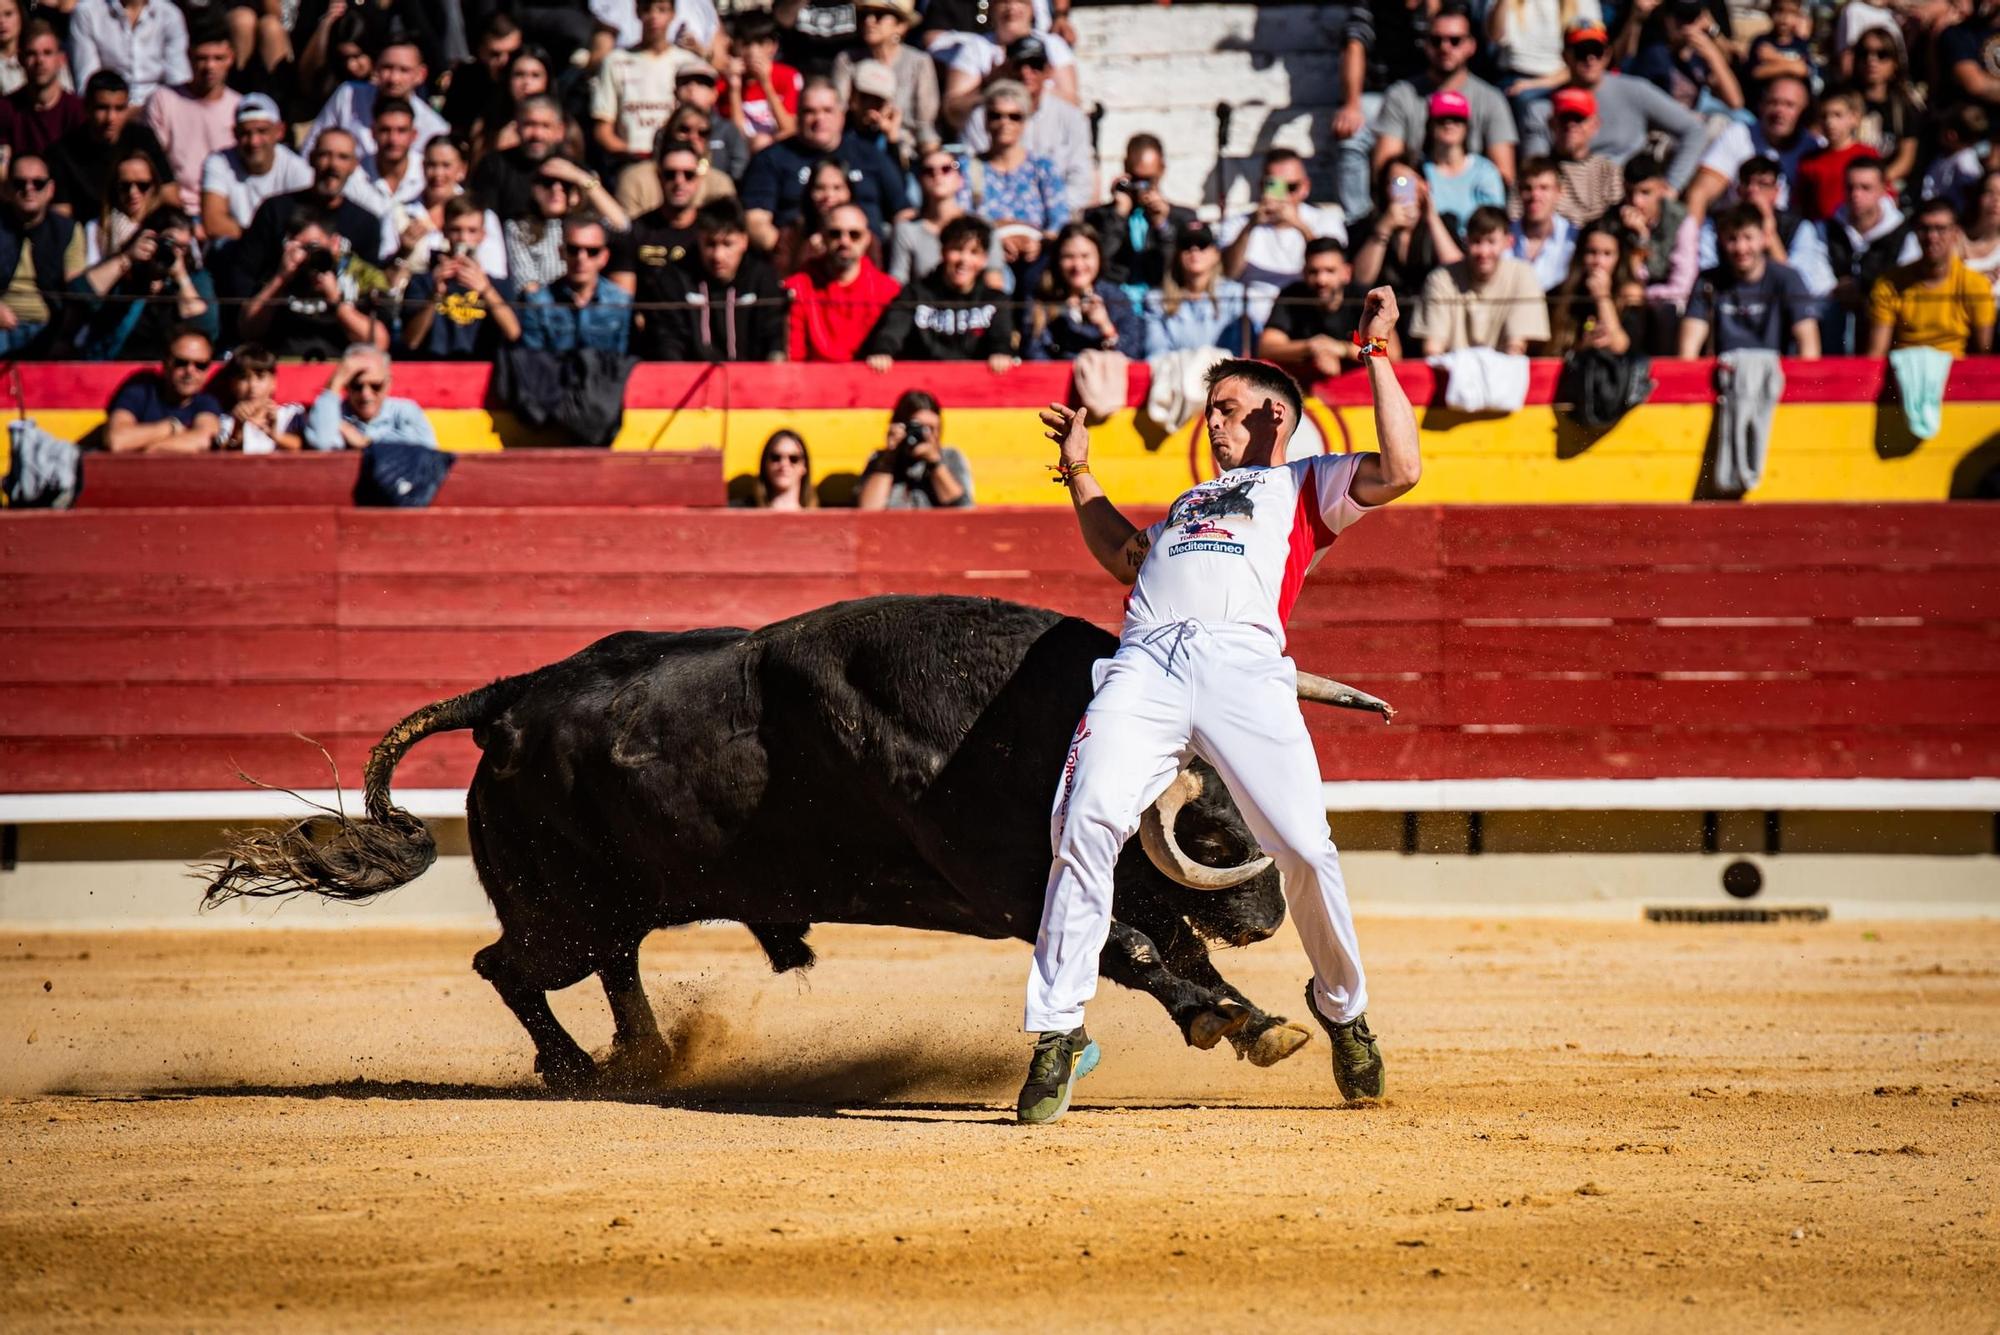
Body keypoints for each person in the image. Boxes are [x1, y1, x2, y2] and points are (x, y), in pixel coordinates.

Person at [1015, 293, 1420, 1124]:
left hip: (1243, 663)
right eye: (1210, 412)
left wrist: (1377, 352)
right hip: (1145, 664)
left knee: (1306, 846)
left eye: (1228, 410)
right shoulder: (1181, 510)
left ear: (1277, 416)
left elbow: (1404, 468)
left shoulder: (1304, 487)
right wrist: (1080, 467)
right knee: (1083, 818)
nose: (1213, 424)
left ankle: (1343, 1008)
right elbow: (1117, 550)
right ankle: (1056, 1030)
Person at [1522, 21, 1705, 190]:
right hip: (1572, 193)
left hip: (1628, 192)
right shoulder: (1543, 109)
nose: (1590, 58)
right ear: (1565, 56)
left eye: (1597, 50)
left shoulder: (1636, 90)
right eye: (1581, 51)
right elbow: (1535, 171)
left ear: (1608, 54)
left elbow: (1694, 129)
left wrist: (1671, 186)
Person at [740, 80, 906, 251]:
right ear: (797, 116)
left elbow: (903, 211)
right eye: (810, 111)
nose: (819, 119)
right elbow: (756, 220)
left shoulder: (870, 156)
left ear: (841, 115)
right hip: (796, 262)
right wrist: (791, 254)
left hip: (866, 261)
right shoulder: (771, 158)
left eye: (827, 111)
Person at [1373, 5, 1518, 196]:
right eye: (1436, 40)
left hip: (1475, 211)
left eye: (1455, 41)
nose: (1445, 47)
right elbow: (1386, 170)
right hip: (1416, 203)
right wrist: (1408, 200)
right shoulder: (1401, 95)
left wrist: (1475, 204)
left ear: (1471, 46)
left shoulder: (1491, 100)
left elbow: (1504, 177)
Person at [638, 197, 788, 361]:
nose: (718, 256)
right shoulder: (676, 278)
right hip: (690, 379)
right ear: (699, 240)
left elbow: (774, 337)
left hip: (753, 380)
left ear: (744, 241)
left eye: (727, 244)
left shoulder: (762, 278)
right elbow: (668, 341)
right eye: (710, 244)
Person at [860, 214, 1015, 371]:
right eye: (957, 249)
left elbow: (1001, 339)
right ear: (943, 252)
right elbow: (892, 333)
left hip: (977, 388)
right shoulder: (914, 294)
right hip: (922, 386)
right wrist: (883, 352)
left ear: (984, 260)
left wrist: (1000, 354)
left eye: (974, 252)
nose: (964, 259)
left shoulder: (996, 300)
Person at [960, 35, 1091, 215]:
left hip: (1057, 218)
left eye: (1035, 65)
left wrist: (1047, 214)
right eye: (1018, 65)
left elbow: (1080, 182)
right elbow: (972, 174)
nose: (1026, 72)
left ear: (1049, 70)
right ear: (1006, 68)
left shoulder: (1071, 118)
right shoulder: (982, 116)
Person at [238, 209, 391, 358]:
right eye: (303, 248)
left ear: (335, 243)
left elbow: (379, 342)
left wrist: (336, 301)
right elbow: (248, 329)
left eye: (314, 247)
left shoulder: (359, 275)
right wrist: (281, 278)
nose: (309, 256)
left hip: (340, 370)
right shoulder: (278, 271)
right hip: (285, 366)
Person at [1219, 147, 1347, 325]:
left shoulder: (1326, 221)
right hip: (1251, 317)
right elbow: (1229, 272)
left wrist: (1299, 226)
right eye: (1275, 186)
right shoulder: (1239, 223)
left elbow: (1331, 268)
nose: (1284, 196)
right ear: (1261, 187)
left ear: (1305, 188)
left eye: (1291, 187)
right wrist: (1251, 226)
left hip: (1305, 313)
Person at [1678, 203, 1820, 358]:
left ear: (1764, 238)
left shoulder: (1788, 279)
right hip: (1724, 373)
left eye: (1748, 237)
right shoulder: (1708, 282)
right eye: (1732, 239)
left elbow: (1809, 346)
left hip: (1775, 374)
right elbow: (1688, 350)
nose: (1741, 248)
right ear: (1722, 240)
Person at [956, 80, 1067, 270]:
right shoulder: (968, 167)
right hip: (985, 256)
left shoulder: (1042, 167)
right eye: (996, 116)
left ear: (1025, 122)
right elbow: (962, 219)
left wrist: (1040, 242)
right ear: (985, 120)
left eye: (1014, 116)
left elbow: (1059, 219)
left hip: (1036, 256)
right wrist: (995, 238)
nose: (1004, 123)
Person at [1865, 198, 1995, 358]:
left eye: (1941, 229)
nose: (1932, 236)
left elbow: (1986, 354)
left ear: (1956, 234)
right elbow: (1876, 354)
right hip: (1904, 373)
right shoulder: (1889, 285)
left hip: (1957, 374)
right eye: (1924, 229)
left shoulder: (1976, 285)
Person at [1814, 156, 1917, 354]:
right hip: (1833, 325)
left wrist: (1866, 295)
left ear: (1883, 190)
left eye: (1865, 187)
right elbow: (1813, 281)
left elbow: (1908, 287)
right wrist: (1836, 291)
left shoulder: (1904, 235)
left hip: (1887, 330)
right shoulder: (1825, 229)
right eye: (1850, 187)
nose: (1856, 194)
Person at [1416, 205, 1550, 355]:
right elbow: (1433, 349)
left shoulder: (1523, 275)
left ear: (1508, 242)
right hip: (1450, 374)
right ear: (1466, 241)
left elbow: (1516, 347)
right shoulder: (1441, 278)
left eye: (1491, 242)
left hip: (1505, 373)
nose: (1484, 252)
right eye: (1476, 242)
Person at [399, 199, 522, 358]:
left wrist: (486, 290)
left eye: (472, 231)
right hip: (433, 371)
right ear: (444, 231)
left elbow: (513, 333)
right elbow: (411, 341)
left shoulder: (499, 285)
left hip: (483, 373)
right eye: (456, 230)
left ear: (482, 235)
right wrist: (435, 296)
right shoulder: (423, 281)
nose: (463, 238)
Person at [1683, 76, 1820, 219]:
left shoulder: (1815, 148)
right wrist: (1689, 238)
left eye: (1789, 105)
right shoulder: (1739, 134)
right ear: (1761, 106)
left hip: (1788, 233)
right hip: (1732, 228)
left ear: (1804, 111)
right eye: (1773, 103)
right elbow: (1699, 193)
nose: (1779, 111)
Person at [1257, 238, 1393, 378]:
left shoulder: (1365, 299)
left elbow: (1391, 351)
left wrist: (1343, 350)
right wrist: (1311, 347)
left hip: (1361, 392)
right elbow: (1266, 348)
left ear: (1346, 273)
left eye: (1330, 271)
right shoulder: (1292, 296)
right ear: (1304, 273)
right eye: (1313, 272)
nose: (1321, 280)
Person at [49, 71, 173, 223]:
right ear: (87, 107)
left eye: (119, 109)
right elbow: (61, 214)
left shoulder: (143, 139)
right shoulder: (65, 151)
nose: (110, 118)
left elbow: (169, 193)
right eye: (102, 108)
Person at [592, 0, 703, 171]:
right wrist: (633, 155)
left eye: (662, 10)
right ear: (637, 12)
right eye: (647, 9)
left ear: (673, 14)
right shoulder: (615, 61)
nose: (654, 17)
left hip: (677, 166)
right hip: (630, 163)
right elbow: (603, 130)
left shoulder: (688, 63)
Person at [784, 200, 900, 362]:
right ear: (823, 237)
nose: (845, 242)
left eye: (854, 234)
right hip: (810, 382)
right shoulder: (798, 287)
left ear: (867, 239)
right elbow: (794, 356)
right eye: (835, 234)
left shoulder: (888, 290)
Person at [142, 19, 237, 215]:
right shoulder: (163, 99)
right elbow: (152, 163)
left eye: (218, 58)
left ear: (230, 58)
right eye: (202, 58)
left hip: (225, 210)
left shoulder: (239, 107)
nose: (209, 66)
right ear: (189, 56)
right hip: (173, 209)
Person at [1084, 134, 1193, 301]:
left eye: (1148, 180)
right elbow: (1098, 265)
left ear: (1162, 169)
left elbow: (1172, 271)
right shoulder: (1098, 217)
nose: (1142, 187)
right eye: (1136, 178)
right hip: (1115, 302)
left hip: (1161, 303)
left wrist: (1161, 225)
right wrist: (1117, 217)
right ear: (1126, 168)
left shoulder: (1181, 218)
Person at [940, 0, 1077, 129]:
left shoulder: (1053, 46)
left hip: (1046, 132)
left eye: (1020, 1)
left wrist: (1034, 86)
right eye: (1004, 1)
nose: (1012, 7)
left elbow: (1073, 105)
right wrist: (992, 87)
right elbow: (953, 113)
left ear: (1032, 8)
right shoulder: (976, 48)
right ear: (992, 7)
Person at [505, 157, 631, 296]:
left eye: (565, 184)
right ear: (534, 188)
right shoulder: (520, 228)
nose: (556, 189)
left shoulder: (587, 225)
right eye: (548, 183)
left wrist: (581, 178)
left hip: (591, 306)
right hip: (546, 311)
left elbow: (622, 225)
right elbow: (527, 285)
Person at [303, 39, 448, 159]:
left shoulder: (434, 128)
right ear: (375, 68)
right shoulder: (348, 95)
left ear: (420, 75)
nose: (393, 79)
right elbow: (312, 146)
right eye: (387, 68)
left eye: (404, 70)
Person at [198, 93, 310, 247]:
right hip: (237, 248)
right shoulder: (218, 162)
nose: (253, 141)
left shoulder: (298, 169)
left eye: (262, 131)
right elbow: (213, 223)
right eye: (246, 133)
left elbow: (309, 224)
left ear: (279, 131)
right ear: (235, 133)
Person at [831, 0, 937, 160]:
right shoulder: (847, 60)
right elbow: (837, 111)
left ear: (900, 26)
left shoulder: (918, 62)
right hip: (855, 147)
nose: (869, 21)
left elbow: (925, 123)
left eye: (879, 15)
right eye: (864, 15)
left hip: (907, 152)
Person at [0, 153, 83, 355]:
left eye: (38, 183)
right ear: (7, 189)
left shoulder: (67, 230)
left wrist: (63, 333)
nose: (29, 189)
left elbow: (77, 290)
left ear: (51, 189)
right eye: (20, 183)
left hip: (48, 326)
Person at [888, 144, 1002, 286]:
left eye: (947, 169)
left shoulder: (982, 226)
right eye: (928, 171)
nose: (937, 175)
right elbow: (898, 283)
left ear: (960, 179)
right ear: (920, 181)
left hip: (974, 306)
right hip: (924, 304)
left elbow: (994, 282)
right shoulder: (907, 230)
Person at [517, 216, 634, 354]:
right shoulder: (537, 303)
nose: (581, 258)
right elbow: (532, 361)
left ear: (604, 257)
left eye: (592, 251)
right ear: (561, 252)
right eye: (573, 249)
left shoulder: (621, 302)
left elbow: (623, 359)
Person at [1023, 222, 1141, 359]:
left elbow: (1133, 355)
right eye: (1069, 257)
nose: (1078, 265)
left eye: (1085, 256)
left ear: (1099, 258)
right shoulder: (1041, 298)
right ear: (1057, 260)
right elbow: (1033, 353)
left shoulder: (1117, 297)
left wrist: (1106, 327)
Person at [102, 326, 221, 458]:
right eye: (180, 363)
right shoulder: (141, 390)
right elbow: (116, 440)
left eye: (200, 365)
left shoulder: (206, 402)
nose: (190, 371)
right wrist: (171, 428)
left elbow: (205, 439)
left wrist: (152, 448)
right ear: (165, 363)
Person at [1142, 220, 1253, 358]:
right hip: (1176, 374)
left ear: (1216, 254)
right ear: (1177, 254)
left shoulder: (1235, 294)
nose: (1194, 251)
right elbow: (1155, 353)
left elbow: (1238, 350)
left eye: (1202, 245)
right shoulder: (1156, 299)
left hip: (1225, 373)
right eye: (1186, 245)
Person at [303, 343, 439, 451]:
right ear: (346, 386)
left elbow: (428, 450)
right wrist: (336, 381)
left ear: (388, 383)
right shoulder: (333, 413)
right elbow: (321, 443)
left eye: (375, 386)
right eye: (357, 386)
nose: (366, 394)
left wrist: (366, 443)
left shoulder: (404, 410)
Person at [619, 141, 705, 310]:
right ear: (659, 177)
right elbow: (622, 303)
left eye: (688, 174)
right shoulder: (637, 231)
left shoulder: (709, 232)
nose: (679, 181)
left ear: (698, 179)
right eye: (670, 174)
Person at [855, 389, 973, 509]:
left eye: (932, 428)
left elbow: (962, 508)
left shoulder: (950, 457)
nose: (926, 435)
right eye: (919, 427)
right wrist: (889, 457)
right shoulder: (880, 458)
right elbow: (868, 508)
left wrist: (935, 463)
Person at [1541, 220, 1644, 356]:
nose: (1598, 262)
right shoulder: (1561, 295)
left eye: (1607, 254)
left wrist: (1602, 297)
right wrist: (1583, 346)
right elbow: (1552, 351)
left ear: (1619, 258)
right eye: (1592, 252)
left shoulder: (1630, 295)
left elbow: (1620, 346)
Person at [68, 0, 191, 106]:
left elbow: (177, 80)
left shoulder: (170, 15)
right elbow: (87, 83)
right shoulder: (87, 13)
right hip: (109, 109)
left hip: (158, 108)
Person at [470, 93, 571, 222]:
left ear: (560, 131)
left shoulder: (571, 169)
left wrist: (582, 180)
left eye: (545, 126)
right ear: (517, 127)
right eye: (529, 124)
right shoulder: (494, 165)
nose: (537, 134)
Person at [1420, 89, 1507, 235]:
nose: (1449, 124)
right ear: (1430, 124)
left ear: (1466, 126)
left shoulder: (1486, 172)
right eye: (1441, 119)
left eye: (1456, 119)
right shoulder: (1415, 170)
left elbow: (1495, 226)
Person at [1847, 30, 1921, 195]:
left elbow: (1906, 160)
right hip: (1846, 185)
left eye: (1882, 54)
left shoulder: (1905, 106)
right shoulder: (1842, 100)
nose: (1871, 60)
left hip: (1888, 188)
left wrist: (1875, 183)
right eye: (1864, 53)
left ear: (1895, 62)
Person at [0, 21, 83, 163]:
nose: (40, 61)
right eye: (32, 54)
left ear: (61, 59)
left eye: (47, 53)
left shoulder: (78, 111)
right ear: (20, 59)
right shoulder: (6, 109)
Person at [1792, 90, 1878, 224]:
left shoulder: (1868, 154)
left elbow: (1885, 197)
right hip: (1821, 235)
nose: (1830, 122)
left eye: (1837, 115)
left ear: (1854, 118)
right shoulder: (1809, 161)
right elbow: (1800, 206)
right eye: (1824, 116)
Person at [722, 8, 800, 149]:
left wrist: (766, 83)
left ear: (773, 46)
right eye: (746, 44)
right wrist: (734, 88)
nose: (753, 52)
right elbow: (737, 136)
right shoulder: (723, 82)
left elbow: (789, 129)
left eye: (760, 43)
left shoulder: (789, 76)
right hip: (744, 151)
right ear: (735, 46)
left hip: (779, 148)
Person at [1544, 88, 1622, 225]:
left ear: (1595, 125)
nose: (1571, 125)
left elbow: (1617, 218)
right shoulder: (1536, 171)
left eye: (1579, 118)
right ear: (1551, 123)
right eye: (1564, 118)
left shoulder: (1608, 171)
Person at [212, 342, 305, 452]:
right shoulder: (226, 421)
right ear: (233, 384)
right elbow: (222, 457)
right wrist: (238, 429)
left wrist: (275, 435)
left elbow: (301, 446)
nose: (252, 386)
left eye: (260, 377)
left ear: (273, 382)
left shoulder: (289, 414)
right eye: (243, 378)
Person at [1510, 158, 1577, 292]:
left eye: (1544, 188)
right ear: (1518, 191)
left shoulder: (1573, 238)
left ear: (1559, 192)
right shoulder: (1504, 235)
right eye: (1527, 188)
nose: (1535, 195)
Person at [745, 428, 814, 508]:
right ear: (765, 464)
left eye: (793, 459)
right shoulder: (741, 510)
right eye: (775, 458)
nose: (784, 464)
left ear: (804, 466)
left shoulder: (822, 513)